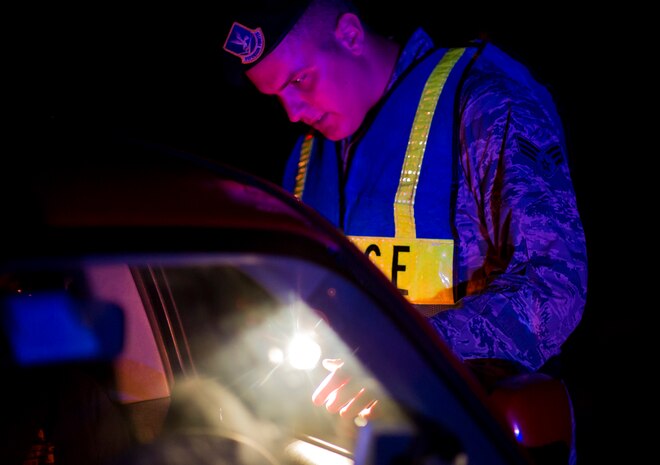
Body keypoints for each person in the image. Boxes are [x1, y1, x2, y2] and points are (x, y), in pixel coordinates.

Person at [221, 0, 587, 461]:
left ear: (350, 34)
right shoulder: (303, 158)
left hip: (471, 440)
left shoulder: (484, 101)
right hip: (335, 445)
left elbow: (555, 284)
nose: (291, 111)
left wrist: (409, 355)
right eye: (276, 96)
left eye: (298, 80)